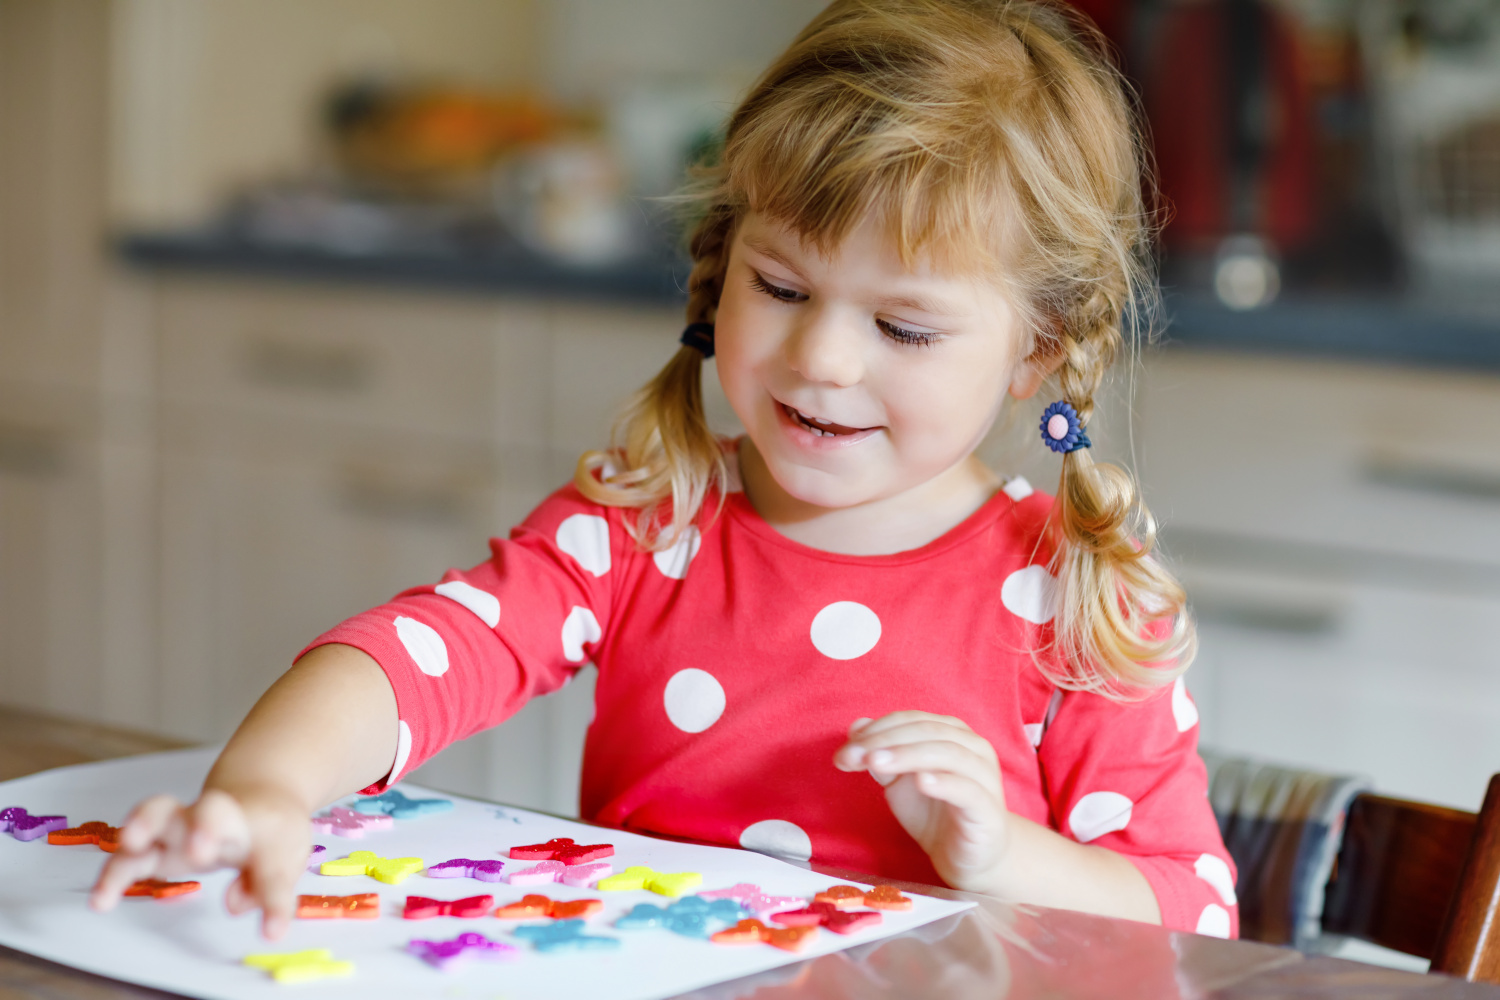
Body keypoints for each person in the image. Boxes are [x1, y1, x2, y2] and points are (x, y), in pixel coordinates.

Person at [91, 0, 1238, 942]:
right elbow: (417, 656)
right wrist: (265, 789)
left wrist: (1002, 853)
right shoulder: (648, 524)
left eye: (905, 327)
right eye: (781, 287)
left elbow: (1195, 913)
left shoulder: (1077, 589)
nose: (822, 357)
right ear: (722, 266)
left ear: (1035, 346)